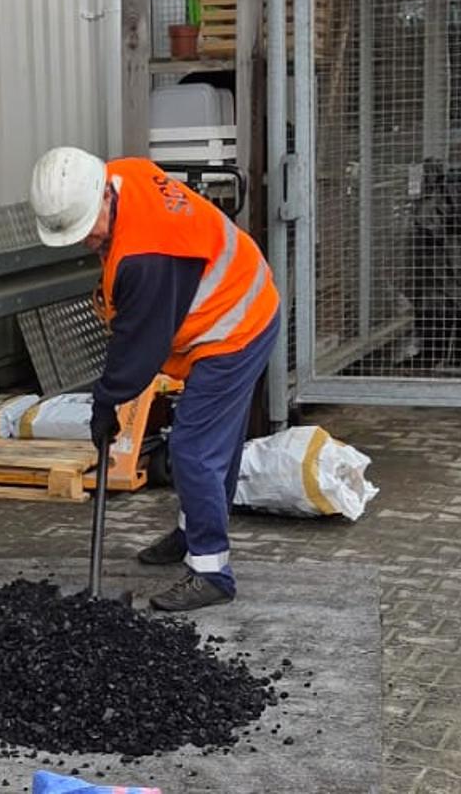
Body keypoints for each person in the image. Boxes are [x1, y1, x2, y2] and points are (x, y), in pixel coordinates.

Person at [28, 147, 280, 612]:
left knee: (194, 449)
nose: (87, 241)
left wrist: (106, 404)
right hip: (229, 306)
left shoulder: (148, 257)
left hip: (234, 327)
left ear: (104, 194)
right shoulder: (126, 172)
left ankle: (211, 571)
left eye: (88, 227)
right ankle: (193, 529)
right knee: (208, 447)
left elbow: (138, 351)